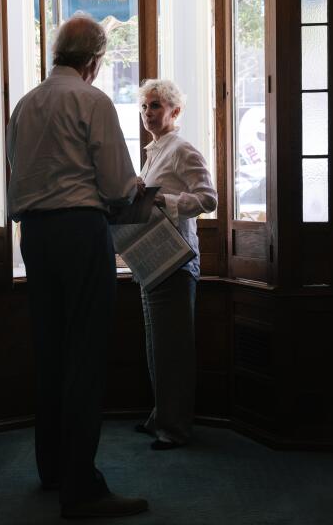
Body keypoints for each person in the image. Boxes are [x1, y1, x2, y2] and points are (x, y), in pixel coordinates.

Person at [6, 13, 148, 519]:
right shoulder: (92, 101)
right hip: (80, 232)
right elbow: (114, 186)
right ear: (94, 60)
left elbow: (16, 178)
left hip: (36, 237)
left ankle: (52, 469)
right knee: (85, 357)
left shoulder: (25, 106)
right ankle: (82, 486)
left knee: (50, 351)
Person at [135, 79, 218, 450]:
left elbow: (208, 199)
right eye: (144, 107)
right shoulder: (152, 152)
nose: (148, 113)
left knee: (174, 350)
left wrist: (161, 202)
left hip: (177, 259)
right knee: (157, 347)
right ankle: (161, 416)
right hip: (151, 257)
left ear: (174, 111)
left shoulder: (183, 149)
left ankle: (176, 428)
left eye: (155, 106)